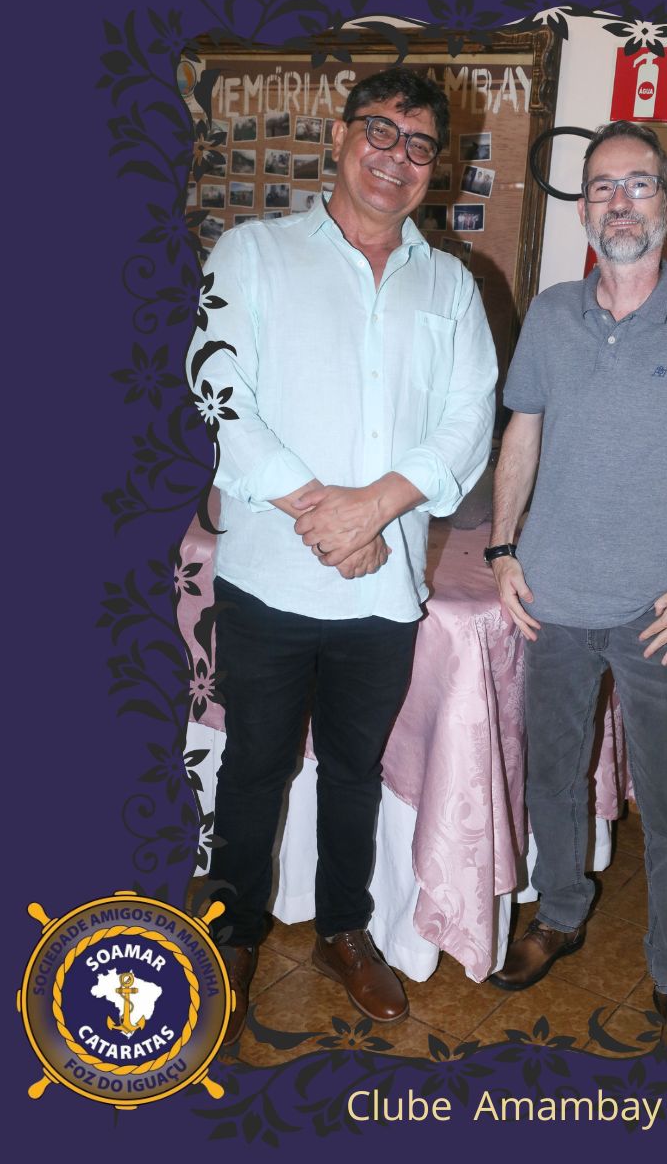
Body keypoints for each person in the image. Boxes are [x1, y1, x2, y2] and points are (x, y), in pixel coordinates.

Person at [187, 70, 497, 1046]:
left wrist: (376, 511)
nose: (396, 158)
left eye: (420, 146)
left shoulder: (451, 285)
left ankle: (342, 930)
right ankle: (233, 928)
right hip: (271, 576)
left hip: (383, 589)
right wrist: (324, 514)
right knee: (256, 764)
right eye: (381, 132)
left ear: (435, 168)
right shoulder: (253, 253)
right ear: (339, 135)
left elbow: (468, 422)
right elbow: (220, 393)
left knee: (356, 770)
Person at [485, 120, 667, 1039]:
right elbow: (522, 434)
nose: (620, 202)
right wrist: (502, 549)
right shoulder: (550, 315)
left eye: (638, 184)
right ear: (583, 208)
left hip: (660, 615)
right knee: (552, 780)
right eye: (602, 187)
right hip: (553, 603)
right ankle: (561, 913)